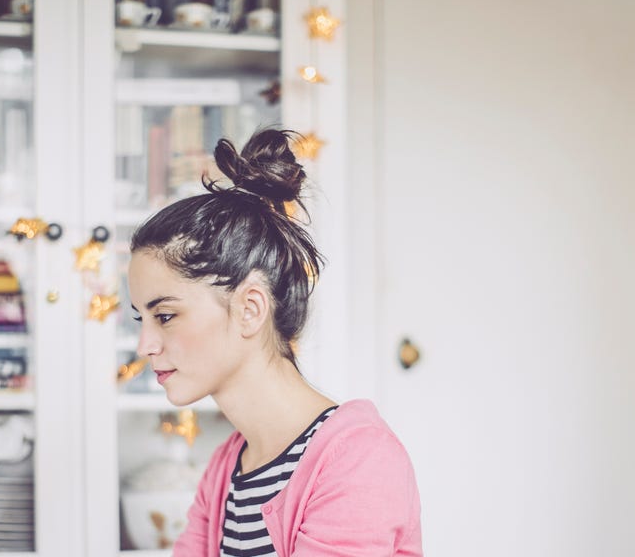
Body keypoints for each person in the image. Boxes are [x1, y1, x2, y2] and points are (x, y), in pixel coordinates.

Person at [128, 129, 423, 556]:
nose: (145, 346)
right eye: (143, 319)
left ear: (250, 308)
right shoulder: (226, 468)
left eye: (166, 316)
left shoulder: (358, 459)